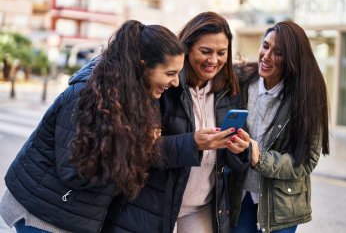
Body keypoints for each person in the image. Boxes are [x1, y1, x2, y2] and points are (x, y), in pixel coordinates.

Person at [0, 20, 185, 233]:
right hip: (43, 210)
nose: (175, 82)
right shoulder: (87, 95)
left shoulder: (135, 97)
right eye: (170, 73)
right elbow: (74, 171)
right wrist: (137, 148)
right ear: (142, 66)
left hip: (70, 213)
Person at [101, 12, 252, 233]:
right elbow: (142, 150)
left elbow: (230, 162)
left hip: (201, 206)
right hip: (154, 204)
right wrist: (193, 143)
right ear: (187, 47)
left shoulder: (229, 91)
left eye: (221, 53)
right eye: (205, 51)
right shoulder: (163, 85)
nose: (214, 60)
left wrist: (240, 151)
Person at [229, 21, 330, 233]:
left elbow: (305, 161)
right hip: (240, 197)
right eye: (265, 46)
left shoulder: (306, 98)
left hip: (281, 206)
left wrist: (261, 159)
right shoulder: (242, 81)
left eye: (278, 53)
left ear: (292, 59)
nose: (266, 56)